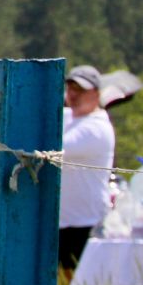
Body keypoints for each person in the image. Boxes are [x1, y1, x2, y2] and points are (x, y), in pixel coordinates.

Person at [59, 65, 115, 268]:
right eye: (71, 88)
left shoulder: (97, 127)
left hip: (86, 223)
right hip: (62, 221)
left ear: (97, 94)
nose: (73, 95)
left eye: (80, 90)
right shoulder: (67, 118)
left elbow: (55, 150)